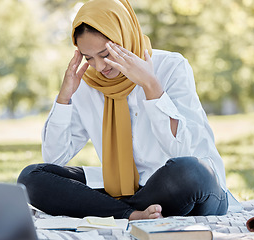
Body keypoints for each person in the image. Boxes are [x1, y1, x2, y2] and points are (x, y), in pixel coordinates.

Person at [18, 0, 237, 220]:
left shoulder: (171, 67)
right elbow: (54, 158)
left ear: (124, 35)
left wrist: (151, 86)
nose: (100, 67)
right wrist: (64, 96)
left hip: (187, 187)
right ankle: (132, 214)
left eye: (105, 54)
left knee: (190, 171)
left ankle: (108, 210)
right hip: (122, 189)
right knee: (31, 177)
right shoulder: (86, 82)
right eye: (88, 58)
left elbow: (185, 152)